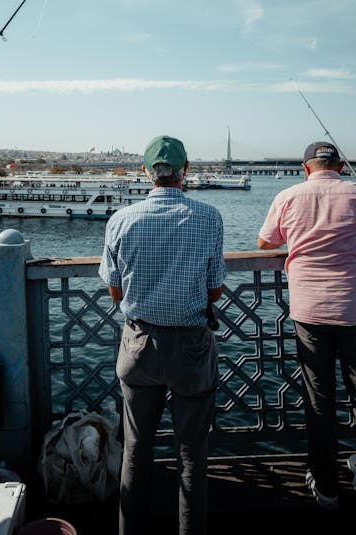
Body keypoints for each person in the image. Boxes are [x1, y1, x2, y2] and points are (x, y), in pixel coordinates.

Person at [257, 141, 356, 531]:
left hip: (311, 312)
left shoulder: (288, 196)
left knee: (319, 402)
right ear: (339, 166)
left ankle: (326, 489)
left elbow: (265, 243)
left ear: (306, 168)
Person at [99, 135, 225, 535]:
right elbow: (214, 288)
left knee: (136, 451)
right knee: (192, 454)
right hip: (190, 347)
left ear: (145, 173)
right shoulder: (209, 218)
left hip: (138, 346)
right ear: (186, 171)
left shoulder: (120, 219)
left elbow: (115, 290)